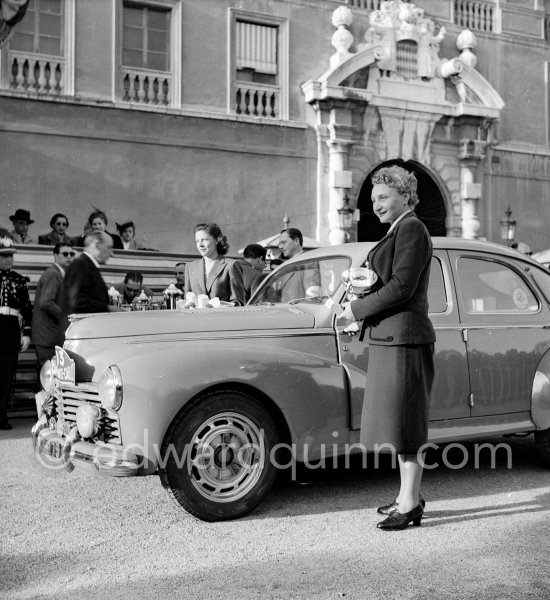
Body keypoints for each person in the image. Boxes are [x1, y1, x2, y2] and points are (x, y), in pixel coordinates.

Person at [338, 165, 436, 531]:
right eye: (373, 199)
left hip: (406, 339)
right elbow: (389, 282)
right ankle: (405, 495)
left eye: (383, 197)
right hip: (391, 338)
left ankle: (410, 504)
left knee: (407, 425)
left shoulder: (412, 228)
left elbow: (402, 287)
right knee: (397, 424)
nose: (375, 205)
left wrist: (357, 307)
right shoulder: (399, 229)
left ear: (405, 196)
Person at [0, 230, 32, 430]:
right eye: (4, 255)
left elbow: (27, 310)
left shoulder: (19, 280)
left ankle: (1, 416)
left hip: (10, 330)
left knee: (5, 376)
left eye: (11, 255)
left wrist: (26, 333)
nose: (9, 259)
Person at [32, 242, 75, 367]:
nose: (69, 257)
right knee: (49, 377)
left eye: (71, 254)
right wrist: (66, 317)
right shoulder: (53, 274)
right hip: (47, 337)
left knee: (48, 376)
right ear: (55, 255)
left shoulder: (59, 274)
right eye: (65, 254)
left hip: (49, 337)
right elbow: (46, 302)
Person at [63, 230, 121, 317]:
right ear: (97, 244)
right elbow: (77, 301)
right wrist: (108, 308)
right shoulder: (80, 266)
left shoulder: (88, 266)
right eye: (109, 248)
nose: (111, 253)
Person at [184, 223, 236, 303]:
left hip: (222, 315)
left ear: (216, 240)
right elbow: (187, 301)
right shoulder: (190, 267)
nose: (200, 245)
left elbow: (237, 302)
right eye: (197, 241)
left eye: (204, 240)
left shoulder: (231, 265)